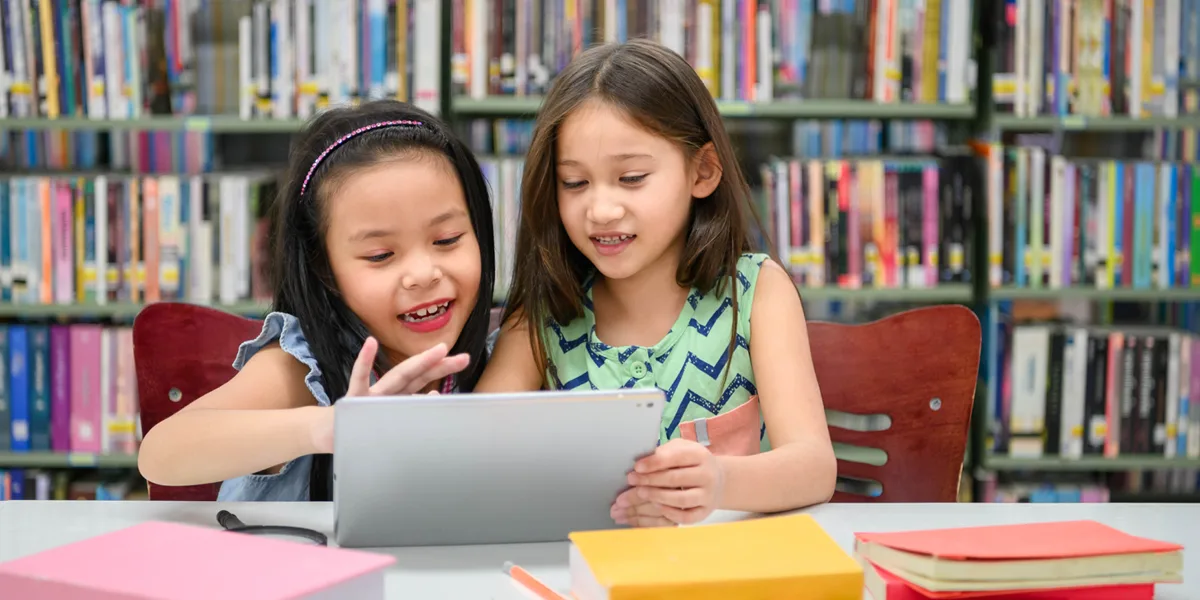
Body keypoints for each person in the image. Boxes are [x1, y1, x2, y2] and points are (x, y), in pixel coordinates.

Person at [477, 39, 837, 527]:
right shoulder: (542, 318)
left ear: (702, 170)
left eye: (631, 178)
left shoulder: (756, 292)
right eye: (575, 183)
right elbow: (475, 454)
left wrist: (722, 482)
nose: (601, 210)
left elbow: (815, 466)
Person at [137, 100, 497, 501]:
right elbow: (161, 452)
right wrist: (328, 427)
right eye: (380, 256)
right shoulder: (301, 371)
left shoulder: (500, 365)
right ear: (324, 269)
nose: (422, 274)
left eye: (447, 240)